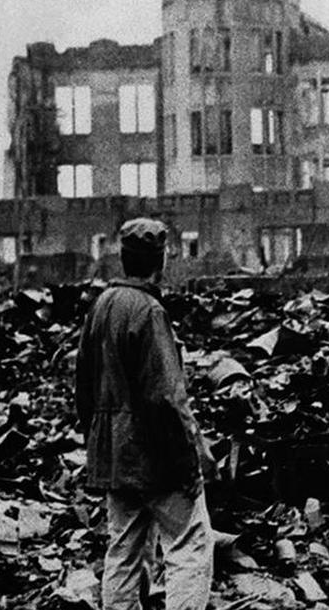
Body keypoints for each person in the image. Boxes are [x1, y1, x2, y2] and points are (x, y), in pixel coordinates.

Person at [74, 217, 213, 610]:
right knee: (190, 545)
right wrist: (190, 459)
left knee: (123, 551)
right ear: (161, 259)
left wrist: (99, 442)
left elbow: (83, 385)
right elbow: (166, 399)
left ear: (123, 257)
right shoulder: (150, 312)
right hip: (154, 458)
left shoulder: (101, 306)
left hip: (115, 458)